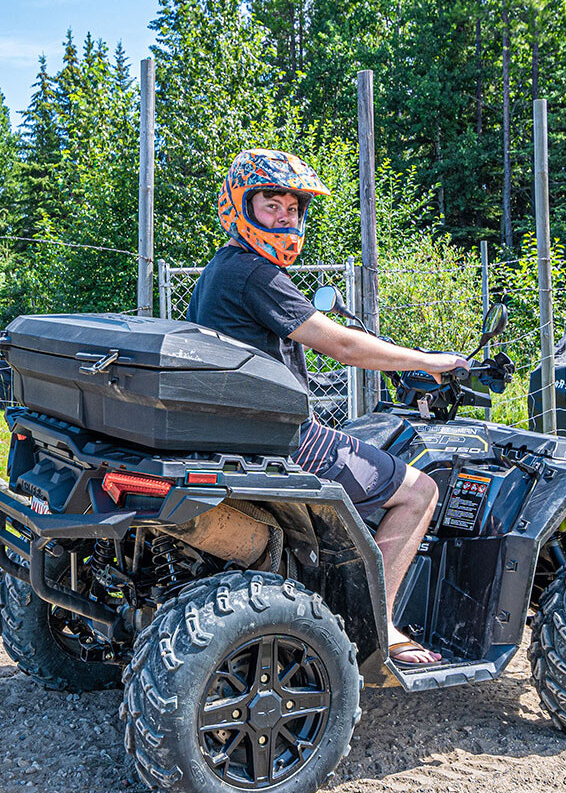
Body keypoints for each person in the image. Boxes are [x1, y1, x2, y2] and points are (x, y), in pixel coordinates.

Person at [187, 148, 470, 668]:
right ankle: (378, 623)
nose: (286, 219)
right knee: (419, 491)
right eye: (272, 205)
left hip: (235, 433)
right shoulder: (255, 274)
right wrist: (428, 361)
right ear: (239, 206)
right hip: (286, 440)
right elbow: (341, 346)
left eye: (294, 210)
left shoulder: (217, 272)